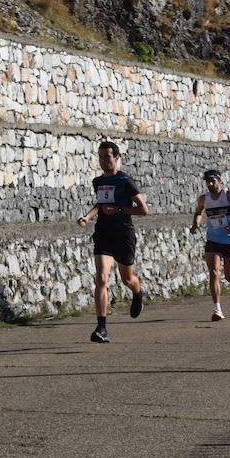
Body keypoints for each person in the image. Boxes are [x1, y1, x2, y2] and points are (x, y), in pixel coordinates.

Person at [76, 140, 148, 343]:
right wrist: (87, 217)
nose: (103, 161)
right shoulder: (97, 182)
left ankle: (137, 291)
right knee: (101, 278)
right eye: (100, 157)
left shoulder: (126, 181)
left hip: (123, 234)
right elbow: (101, 204)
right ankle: (101, 328)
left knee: (127, 278)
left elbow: (143, 210)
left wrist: (119, 210)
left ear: (116, 158)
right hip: (103, 233)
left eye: (107, 156)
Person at [189, 169, 230, 321]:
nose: (210, 184)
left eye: (213, 181)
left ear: (220, 181)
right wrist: (195, 224)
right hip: (213, 241)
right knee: (214, 273)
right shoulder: (204, 199)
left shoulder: (228, 195)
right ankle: (217, 309)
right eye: (207, 182)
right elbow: (198, 212)